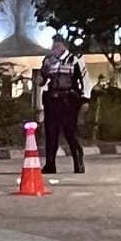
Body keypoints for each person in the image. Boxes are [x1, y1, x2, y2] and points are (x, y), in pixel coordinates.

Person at [37, 34, 89, 174]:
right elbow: (40, 81)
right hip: (53, 101)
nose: (55, 47)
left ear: (64, 45)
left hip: (69, 101)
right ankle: (50, 164)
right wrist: (44, 72)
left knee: (70, 132)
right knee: (51, 134)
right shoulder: (48, 60)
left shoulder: (75, 59)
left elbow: (85, 80)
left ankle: (78, 163)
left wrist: (85, 100)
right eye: (54, 44)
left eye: (57, 44)